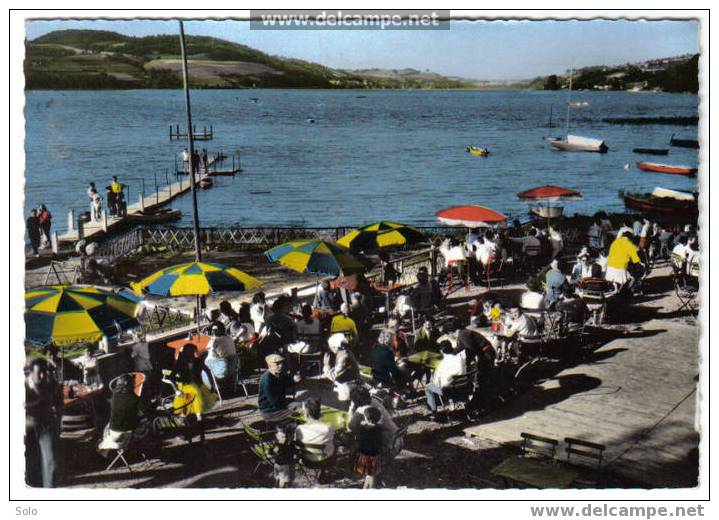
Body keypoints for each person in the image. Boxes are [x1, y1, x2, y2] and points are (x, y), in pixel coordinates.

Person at [25, 358, 61, 488]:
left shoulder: (50, 383)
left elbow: (59, 403)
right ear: (30, 372)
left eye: (44, 372)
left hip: (46, 426)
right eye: (39, 372)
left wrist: (58, 421)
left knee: (50, 462)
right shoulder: (21, 386)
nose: (42, 376)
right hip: (28, 428)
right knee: (31, 464)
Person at [167, 344, 218, 423]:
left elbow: (208, 371)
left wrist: (212, 385)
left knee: (192, 395)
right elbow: (171, 377)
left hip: (198, 384)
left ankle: (185, 416)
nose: (190, 353)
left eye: (192, 351)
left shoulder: (197, 361)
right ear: (184, 352)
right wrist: (176, 390)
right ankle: (197, 416)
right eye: (188, 351)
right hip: (185, 386)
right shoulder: (179, 363)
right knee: (194, 392)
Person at [424, 341, 467, 421]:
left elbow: (436, 382)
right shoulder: (460, 359)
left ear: (441, 351)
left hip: (449, 391)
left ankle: (434, 412)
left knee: (428, 387)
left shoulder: (441, 364)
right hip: (463, 388)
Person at [258, 354, 300, 423]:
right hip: (270, 411)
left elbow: (288, 383)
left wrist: (295, 380)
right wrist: (289, 407)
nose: (281, 366)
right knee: (299, 414)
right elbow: (274, 402)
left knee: (302, 406)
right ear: (269, 365)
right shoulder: (267, 380)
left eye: (281, 363)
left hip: (279, 405)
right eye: (277, 364)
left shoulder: (279, 374)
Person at [294, 398, 335, 463]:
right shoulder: (328, 427)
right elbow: (332, 438)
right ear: (320, 413)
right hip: (325, 458)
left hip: (307, 459)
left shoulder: (299, 428)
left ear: (306, 414)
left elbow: (297, 442)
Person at [352, 406, 384, 489]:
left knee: (370, 475)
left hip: (364, 455)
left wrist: (362, 425)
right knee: (371, 474)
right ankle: (366, 487)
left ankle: (369, 489)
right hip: (374, 455)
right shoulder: (379, 429)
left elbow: (358, 439)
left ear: (367, 419)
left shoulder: (362, 429)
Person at [324, 333, 360, 404]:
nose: (330, 348)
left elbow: (333, 376)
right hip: (348, 381)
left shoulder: (344, 357)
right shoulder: (345, 352)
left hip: (348, 387)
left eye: (331, 347)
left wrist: (326, 365)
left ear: (336, 347)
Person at [270, 423, 296, 488]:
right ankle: (285, 486)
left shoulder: (276, 445)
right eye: (280, 436)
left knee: (277, 477)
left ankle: (277, 484)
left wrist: (273, 454)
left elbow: (270, 453)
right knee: (286, 480)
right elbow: (294, 453)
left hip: (277, 464)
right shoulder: (289, 445)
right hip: (285, 465)